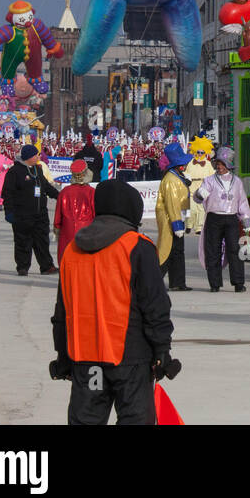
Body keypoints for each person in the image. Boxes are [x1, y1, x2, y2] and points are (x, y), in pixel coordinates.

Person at [50, 179, 178, 424]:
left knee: (85, 420)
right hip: (129, 356)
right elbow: (155, 305)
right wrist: (162, 349)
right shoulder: (137, 247)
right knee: (135, 418)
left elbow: (62, 310)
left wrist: (62, 356)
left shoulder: (72, 249)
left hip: (85, 357)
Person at [193, 146, 250, 293]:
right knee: (213, 250)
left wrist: (245, 218)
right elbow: (197, 198)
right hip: (214, 218)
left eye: (222, 164)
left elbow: (242, 201)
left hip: (231, 219)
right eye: (218, 163)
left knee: (234, 250)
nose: (219, 166)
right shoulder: (209, 181)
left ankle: (238, 283)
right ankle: (215, 283)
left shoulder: (237, 182)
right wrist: (200, 194)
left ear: (228, 166)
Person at [2, 144, 59, 276]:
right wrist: (9, 212)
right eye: (36, 155)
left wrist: (60, 197)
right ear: (29, 157)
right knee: (23, 241)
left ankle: (46, 266)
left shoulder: (37, 170)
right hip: (22, 214)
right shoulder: (15, 172)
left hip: (40, 214)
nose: (39, 157)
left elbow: (46, 187)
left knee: (42, 241)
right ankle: (22, 267)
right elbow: (7, 193)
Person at [154, 142, 193, 291]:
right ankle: (155, 281)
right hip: (171, 219)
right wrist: (177, 224)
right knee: (167, 250)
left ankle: (178, 282)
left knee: (177, 251)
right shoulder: (171, 180)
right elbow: (172, 204)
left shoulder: (177, 177)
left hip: (177, 218)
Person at [53, 159, 96, 263]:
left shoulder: (64, 192)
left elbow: (58, 216)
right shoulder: (92, 192)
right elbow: (96, 214)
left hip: (67, 230)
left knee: (66, 260)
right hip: (86, 230)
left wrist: (56, 229)